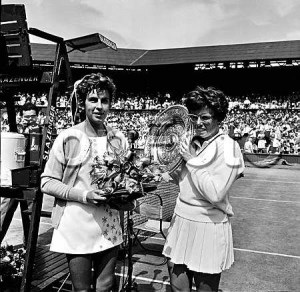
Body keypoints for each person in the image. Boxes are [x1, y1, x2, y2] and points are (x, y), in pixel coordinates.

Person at [40, 73, 131, 292]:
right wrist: (84, 195)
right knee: (82, 289)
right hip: (76, 222)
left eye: (105, 100)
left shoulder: (119, 139)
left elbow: (126, 178)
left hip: (108, 221)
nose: (99, 106)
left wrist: (129, 193)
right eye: (93, 100)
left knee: (106, 285)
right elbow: (47, 182)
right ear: (83, 102)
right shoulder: (68, 137)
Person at [162, 86, 245, 292]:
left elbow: (215, 193)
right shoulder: (190, 142)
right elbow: (184, 182)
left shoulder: (229, 147)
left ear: (219, 118)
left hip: (208, 224)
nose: (199, 123)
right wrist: (167, 167)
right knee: (178, 287)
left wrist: (191, 160)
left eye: (205, 117)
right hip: (181, 220)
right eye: (194, 117)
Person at [0, 102, 40, 245]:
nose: (30, 119)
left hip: (31, 174)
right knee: (4, 209)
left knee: (29, 213)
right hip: (13, 174)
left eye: (32, 116)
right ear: (21, 116)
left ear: (38, 116)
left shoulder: (41, 132)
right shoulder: (14, 130)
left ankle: (28, 247)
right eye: (26, 117)